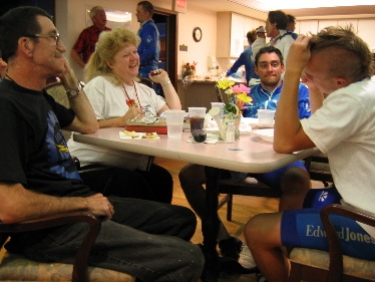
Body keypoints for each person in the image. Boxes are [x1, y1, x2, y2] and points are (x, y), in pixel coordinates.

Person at [0, 6, 204, 282]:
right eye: (53, 37)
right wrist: (83, 204)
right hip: (51, 231)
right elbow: (9, 207)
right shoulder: (7, 105)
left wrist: (70, 77)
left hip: (76, 207)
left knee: (180, 219)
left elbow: (88, 125)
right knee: (189, 258)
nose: (62, 46)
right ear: (26, 45)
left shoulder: (36, 97)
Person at [245, 26, 375, 282]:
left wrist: (292, 72)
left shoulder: (351, 101)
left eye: (311, 73)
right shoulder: (362, 90)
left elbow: (284, 142)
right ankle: (292, 257)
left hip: (366, 223)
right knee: (294, 196)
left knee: (255, 229)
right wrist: (315, 86)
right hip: (358, 199)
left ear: (339, 82)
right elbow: (321, 121)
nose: (306, 74)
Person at [179, 45, 311, 260]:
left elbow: (306, 124)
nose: (270, 69)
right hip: (240, 158)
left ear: (283, 67)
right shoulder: (243, 92)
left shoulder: (298, 90)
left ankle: (284, 252)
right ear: (256, 70)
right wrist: (233, 114)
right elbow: (231, 125)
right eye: (264, 65)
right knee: (188, 174)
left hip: (279, 159)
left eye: (275, 64)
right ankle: (222, 238)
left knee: (298, 179)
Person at [67, 26, 181, 204]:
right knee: (136, 184)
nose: (134, 57)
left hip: (127, 165)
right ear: (110, 63)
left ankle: (157, 230)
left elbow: (174, 115)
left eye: (135, 52)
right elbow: (85, 125)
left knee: (162, 179)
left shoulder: (143, 90)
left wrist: (165, 81)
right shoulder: (99, 85)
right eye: (126, 55)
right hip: (90, 166)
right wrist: (121, 121)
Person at [136, 1, 160, 78]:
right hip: (145, 68)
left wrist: (137, 61)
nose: (136, 14)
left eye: (138, 12)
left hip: (147, 70)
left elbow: (151, 49)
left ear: (146, 13)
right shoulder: (145, 28)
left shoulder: (149, 28)